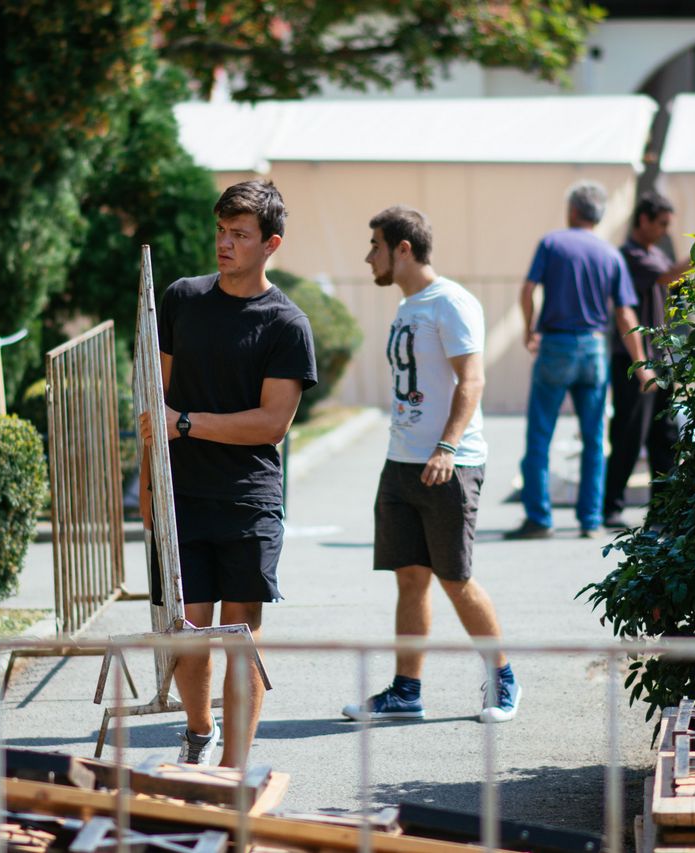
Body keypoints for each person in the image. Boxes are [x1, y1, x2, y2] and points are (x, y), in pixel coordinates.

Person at [139, 180, 317, 767]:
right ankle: (199, 731)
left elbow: (271, 424)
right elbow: (156, 402)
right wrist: (147, 484)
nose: (224, 243)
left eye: (239, 234)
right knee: (186, 630)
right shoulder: (182, 299)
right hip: (181, 496)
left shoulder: (287, 324)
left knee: (241, 638)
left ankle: (235, 769)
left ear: (271, 244)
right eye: (220, 230)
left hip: (248, 500)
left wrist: (186, 424)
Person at [341, 205, 520, 725]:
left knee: (455, 579)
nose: (369, 257)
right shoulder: (408, 306)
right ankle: (406, 692)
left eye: (375, 246)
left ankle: (504, 678)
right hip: (401, 463)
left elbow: (472, 379)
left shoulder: (451, 302)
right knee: (410, 579)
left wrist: (446, 447)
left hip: (449, 464)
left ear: (403, 249)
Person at [506, 181, 655, 541]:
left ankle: (539, 518)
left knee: (540, 434)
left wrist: (529, 330)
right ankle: (590, 520)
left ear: (573, 210)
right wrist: (641, 364)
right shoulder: (610, 255)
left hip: (556, 344)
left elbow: (527, 289)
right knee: (594, 438)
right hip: (593, 348)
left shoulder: (552, 243)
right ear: (598, 215)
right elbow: (625, 313)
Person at [602, 192, 687, 528]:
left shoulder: (654, 254)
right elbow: (668, 276)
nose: (665, 231)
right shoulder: (630, 255)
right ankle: (611, 506)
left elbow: (676, 278)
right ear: (644, 219)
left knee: (664, 434)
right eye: (662, 223)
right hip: (634, 360)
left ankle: (662, 509)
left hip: (659, 356)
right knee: (629, 433)